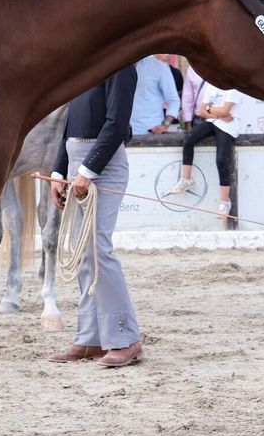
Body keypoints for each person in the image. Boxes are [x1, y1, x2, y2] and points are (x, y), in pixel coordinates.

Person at [47, 65, 143, 368]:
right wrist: (57, 171)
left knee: (98, 250)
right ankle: (90, 338)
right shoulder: (86, 64)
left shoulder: (123, 68)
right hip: (77, 164)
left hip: (104, 166)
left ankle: (127, 338)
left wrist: (87, 171)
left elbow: (116, 125)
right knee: (83, 254)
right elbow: (68, 126)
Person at [168, 82, 240, 218]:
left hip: (229, 126)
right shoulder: (211, 86)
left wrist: (210, 109)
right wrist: (220, 114)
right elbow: (202, 112)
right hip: (215, 121)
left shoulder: (232, 87)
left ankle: (225, 201)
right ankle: (186, 179)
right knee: (188, 139)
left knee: (221, 160)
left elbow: (224, 111)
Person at [129, 54, 181, 135]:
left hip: (151, 132)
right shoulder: (119, 65)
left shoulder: (159, 66)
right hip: (122, 134)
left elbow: (173, 100)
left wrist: (165, 125)